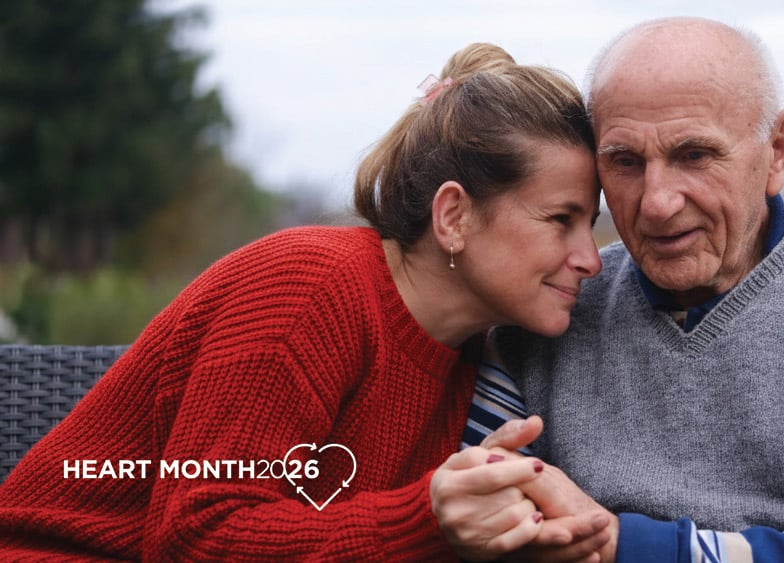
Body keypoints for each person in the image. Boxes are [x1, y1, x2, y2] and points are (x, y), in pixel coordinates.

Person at [0, 42, 607, 560]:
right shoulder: (308, 290)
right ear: (454, 216)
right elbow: (195, 538)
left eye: (590, 223)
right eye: (561, 219)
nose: (591, 258)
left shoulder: (470, 356)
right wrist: (425, 521)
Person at [455, 17, 784, 562]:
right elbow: (489, 504)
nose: (657, 202)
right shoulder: (551, 303)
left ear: (777, 151)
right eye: (625, 162)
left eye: (695, 155)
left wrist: (626, 547)